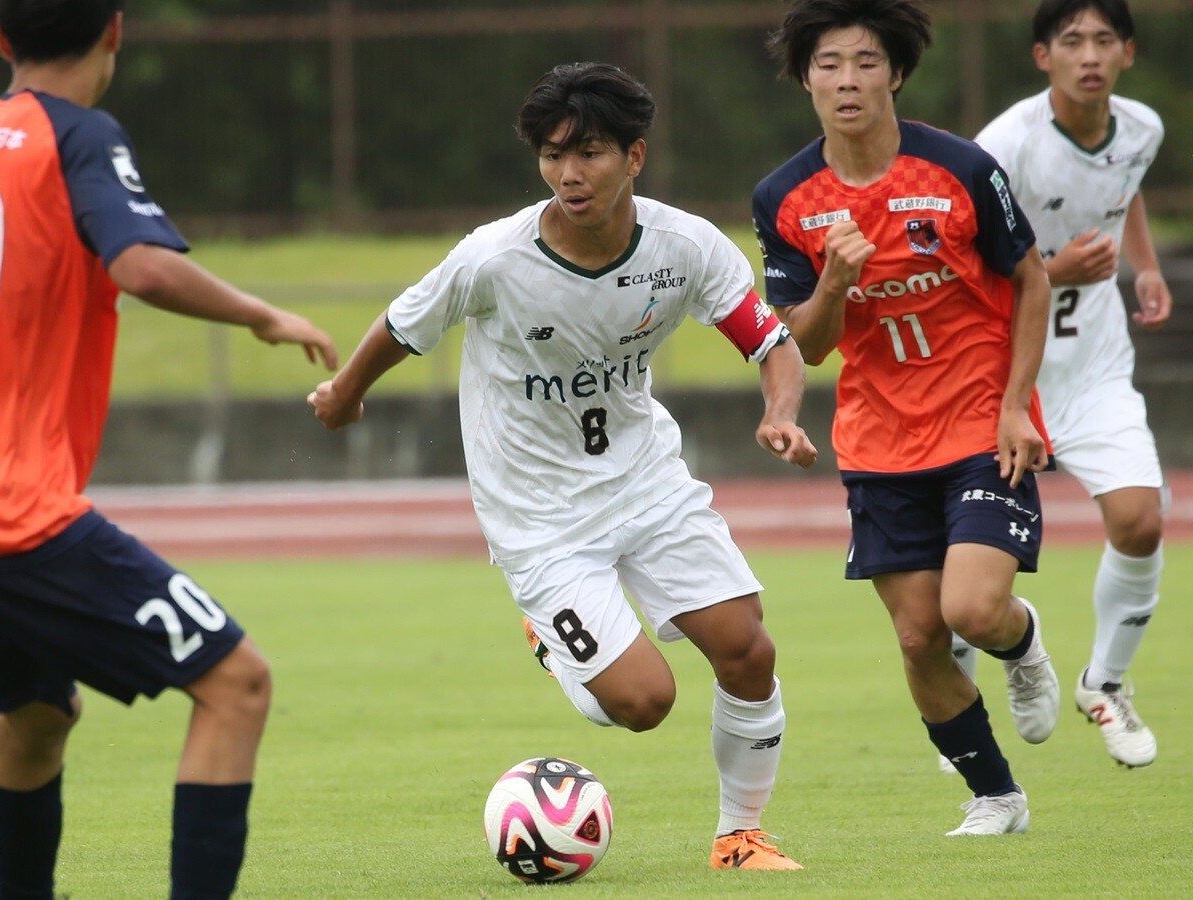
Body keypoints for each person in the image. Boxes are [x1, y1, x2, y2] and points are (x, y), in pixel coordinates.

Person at [309, 61, 817, 871]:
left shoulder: (685, 248)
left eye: (589, 153)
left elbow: (772, 343)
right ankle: (549, 636)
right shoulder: (493, 259)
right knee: (644, 704)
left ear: (635, 157)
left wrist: (780, 415)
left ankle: (740, 837)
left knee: (748, 649)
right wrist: (342, 393)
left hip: (646, 481)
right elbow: (404, 325)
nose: (569, 174)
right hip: (539, 518)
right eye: (552, 155)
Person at [0, 2, 338, 897]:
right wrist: (263, 314)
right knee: (238, 685)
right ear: (115, 31)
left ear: (0, 41)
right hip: (17, 517)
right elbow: (139, 264)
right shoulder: (80, 135)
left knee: (35, 714)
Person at [754, 0, 1061, 836]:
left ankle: (1019, 640)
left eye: (863, 62)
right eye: (827, 65)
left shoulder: (960, 169)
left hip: (978, 421)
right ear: (805, 79)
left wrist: (1014, 406)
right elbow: (807, 345)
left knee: (970, 610)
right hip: (878, 439)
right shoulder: (784, 198)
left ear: (894, 72)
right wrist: (834, 284)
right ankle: (996, 797)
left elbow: (1031, 281)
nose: (846, 80)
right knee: (921, 635)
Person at [965, 0, 1167, 770]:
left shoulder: (1141, 127)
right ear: (1042, 56)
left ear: (1128, 54)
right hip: (1000, 374)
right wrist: (1055, 271)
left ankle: (1106, 683)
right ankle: (962, 719)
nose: (1090, 54)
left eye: (1104, 40)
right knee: (967, 570)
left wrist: (1141, 263)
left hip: (1094, 368)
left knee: (1141, 521)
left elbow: (1123, 188)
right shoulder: (1004, 146)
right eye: (1072, 40)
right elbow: (965, 270)